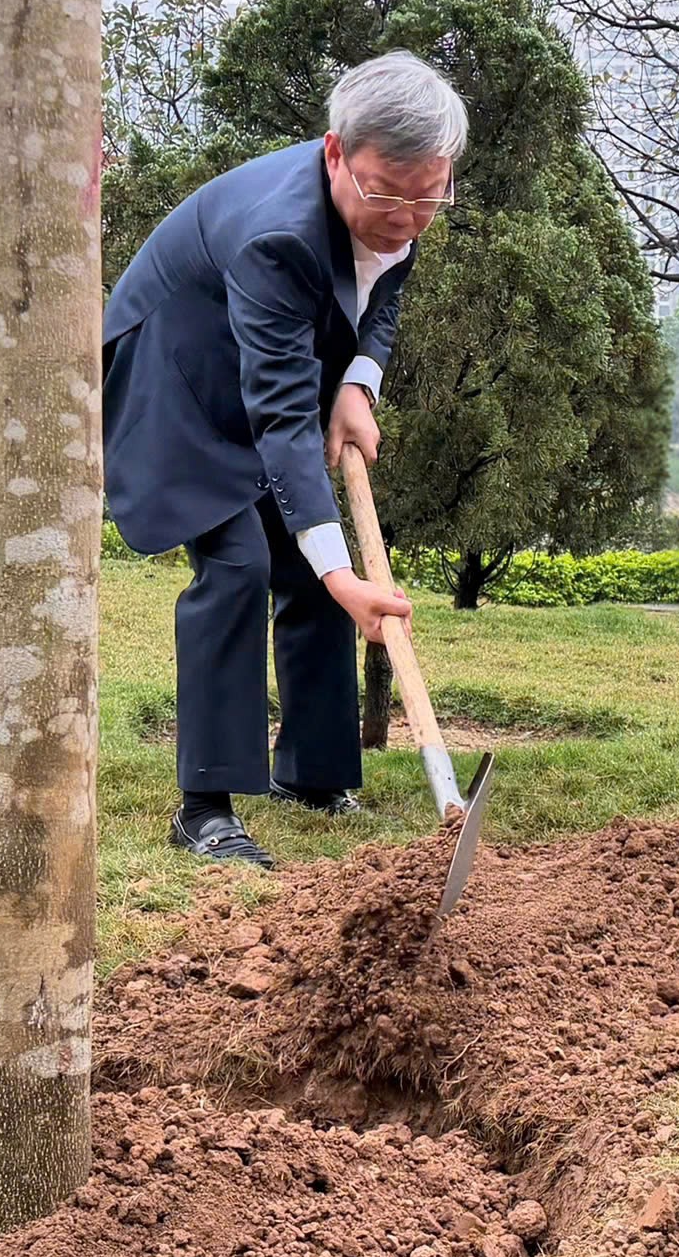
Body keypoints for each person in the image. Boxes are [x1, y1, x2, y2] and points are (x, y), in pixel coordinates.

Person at [101, 52, 464, 865]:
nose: (407, 216)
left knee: (307, 572)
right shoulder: (279, 236)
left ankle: (314, 773)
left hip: (266, 370)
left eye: (428, 195)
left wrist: (359, 384)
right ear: (335, 152)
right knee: (238, 563)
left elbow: (386, 286)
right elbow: (278, 418)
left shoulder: (398, 203)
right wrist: (346, 577)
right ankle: (206, 805)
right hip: (179, 379)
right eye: (387, 192)